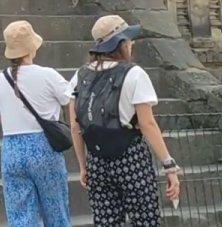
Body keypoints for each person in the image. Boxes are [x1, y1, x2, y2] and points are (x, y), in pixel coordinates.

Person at [68, 15, 182, 227]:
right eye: (128, 39)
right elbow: (147, 124)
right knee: (144, 219)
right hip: (131, 157)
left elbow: (75, 125)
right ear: (120, 44)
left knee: (106, 222)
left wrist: (83, 166)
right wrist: (169, 164)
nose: (131, 43)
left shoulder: (80, 75)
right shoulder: (134, 74)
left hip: (97, 159)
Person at [0, 21, 72, 227]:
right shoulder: (48, 75)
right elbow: (72, 101)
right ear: (32, 47)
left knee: (21, 217)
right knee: (56, 212)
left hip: (12, 150)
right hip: (44, 148)